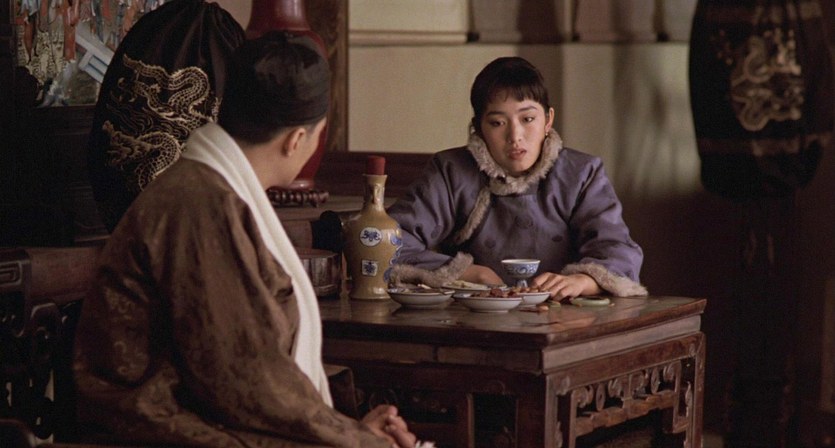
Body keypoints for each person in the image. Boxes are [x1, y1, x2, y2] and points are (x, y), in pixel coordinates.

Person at [73, 32, 417, 448]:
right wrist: (358, 440)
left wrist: (349, 430)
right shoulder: (201, 206)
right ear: (297, 140)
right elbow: (246, 377)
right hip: (155, 429)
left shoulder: (210, 190)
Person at [388, 57, 647, 300]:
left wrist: (582, 281)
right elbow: (388, 241)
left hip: (563, 315)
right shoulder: (451, 171)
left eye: (528, 119)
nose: (515, 136)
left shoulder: (581, 174)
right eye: (497, 123)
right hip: (472, 315)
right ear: (478, 128)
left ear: (548, 120)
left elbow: (617, 249)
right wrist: (464, 272)